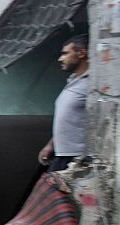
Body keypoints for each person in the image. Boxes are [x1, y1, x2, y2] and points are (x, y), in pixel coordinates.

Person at [38, 34, 89, 173]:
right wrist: (50, 145)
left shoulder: (91, 84)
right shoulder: (72, 81)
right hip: (62, 156)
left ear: (81, 53)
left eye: (66, 53)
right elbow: (68, 120)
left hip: (77, 158)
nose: (61, 58)